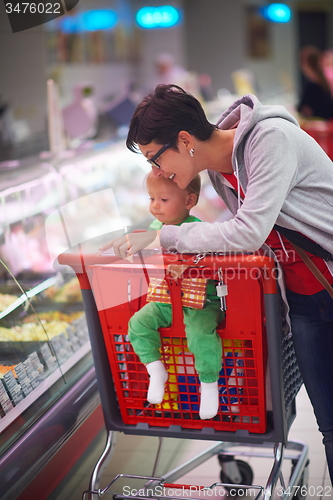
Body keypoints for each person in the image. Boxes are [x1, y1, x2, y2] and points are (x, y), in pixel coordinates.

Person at [99, 84, 333, 482]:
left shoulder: (269, 140)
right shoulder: (223, 171)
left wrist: (163, 238)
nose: (157, 172)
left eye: (155, 158)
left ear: (185, 140)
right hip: (306, 299)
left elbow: (247, 233)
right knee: (329, 424)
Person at [128, 172, 223, 420]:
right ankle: (156, 369)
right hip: (165, 299)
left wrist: (189, 264)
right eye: (151, 198)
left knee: (200, 334)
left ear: (189, 201)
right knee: (138, 323)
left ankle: (209, 385)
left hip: (201, 301)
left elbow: (212, 259)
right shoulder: (153, 229)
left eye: (164, 199)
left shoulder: (198, 229)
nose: (155, 205)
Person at [297, 45, 333, 120]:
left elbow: (302, 108)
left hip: (317, 124)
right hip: (327, 122)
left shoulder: (312, 84)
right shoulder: (324, 80)